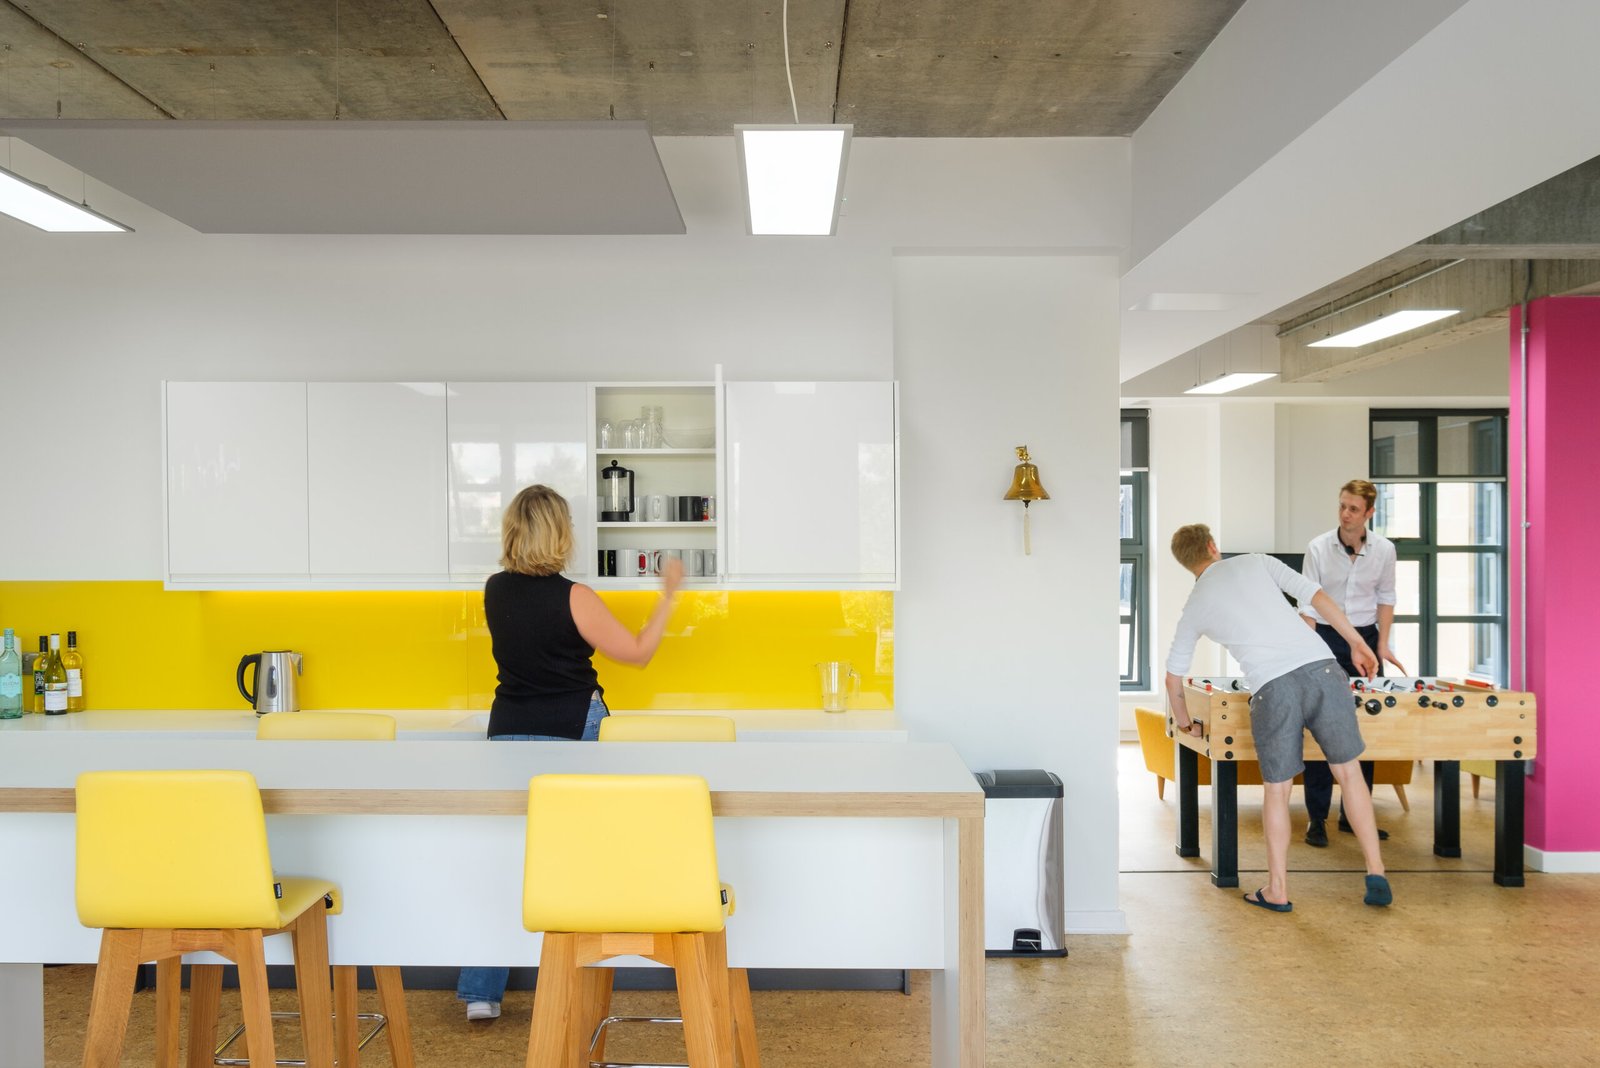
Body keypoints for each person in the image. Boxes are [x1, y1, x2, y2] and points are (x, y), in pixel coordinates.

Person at [457, 484, 684, 1021]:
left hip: (508, 730)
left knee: (507, 856)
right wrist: (668, 596)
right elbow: (637, 653)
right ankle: (577, 976)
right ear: (561, 533)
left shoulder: (494, 590)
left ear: (513, 531)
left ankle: (481, 993)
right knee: (581, 851)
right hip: (570, 727)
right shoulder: (575, 596)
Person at [1164, 523, 1391, 912]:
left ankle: (1278, 890)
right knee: (1350, 774)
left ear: (1186, 564)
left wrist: (1185, 723)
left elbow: (1173, 679)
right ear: (1212, 546)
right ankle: (1377, 874)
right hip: (1323, 669)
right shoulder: (1256, 562)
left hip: (1272, 687)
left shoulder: (1195, 607)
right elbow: (1316, 596)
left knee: (1278, 791)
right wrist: (1357, 642)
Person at [1298, 479, 1406, 849]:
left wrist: (1382, 645)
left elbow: (1386, 598)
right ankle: (1316, 818)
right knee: (1320, 727)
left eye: (1354, 508)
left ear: (1369, 512)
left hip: (1366, 639)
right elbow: (1307, 602)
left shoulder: (1384, 550)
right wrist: (1309, 648)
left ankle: (1354, 815)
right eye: (1342, 506)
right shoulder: (1318, 547)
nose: (1345, 514)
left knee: (1365, 728)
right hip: (1326, 636)